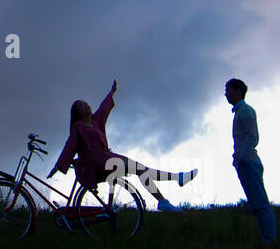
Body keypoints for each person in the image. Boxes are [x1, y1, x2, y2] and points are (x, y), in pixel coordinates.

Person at [47, 79, 197, 210]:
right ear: (77, 112)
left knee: (141, 169)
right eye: (81, 105)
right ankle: (170, 190)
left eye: (85, 103)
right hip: (98, 161)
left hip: (107, 157)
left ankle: (170, 189)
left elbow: (104, 108)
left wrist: (111, 93)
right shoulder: (78, 127)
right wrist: (58, 166)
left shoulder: (95, 121)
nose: (86, 105)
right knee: (140, 169)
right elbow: (69, 147)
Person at [225, 77, 277, 245]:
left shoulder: (246, 111)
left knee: (261, 204)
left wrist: (240, 157)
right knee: (256, 205)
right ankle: (267, 239)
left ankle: (270, 240)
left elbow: (252, 137)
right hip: (244, 163)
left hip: (249, 163)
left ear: (238, 91)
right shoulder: (240, 112)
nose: (226, 94)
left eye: (229, 90)